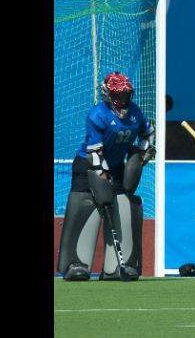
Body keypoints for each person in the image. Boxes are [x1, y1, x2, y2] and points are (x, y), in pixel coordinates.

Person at [57, 71, 155, 281]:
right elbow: (95, 152)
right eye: (118, 95)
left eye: (126, 94)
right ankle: (77, 263)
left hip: (117, 165)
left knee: (121, 204)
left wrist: (142, 155)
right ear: (108, 95)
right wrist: (102, 176)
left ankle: (119, 265)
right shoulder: (97, 115)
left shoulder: (136, 113)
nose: (123, 99)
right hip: (87, 165)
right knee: (88, 204)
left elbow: (149, 133)